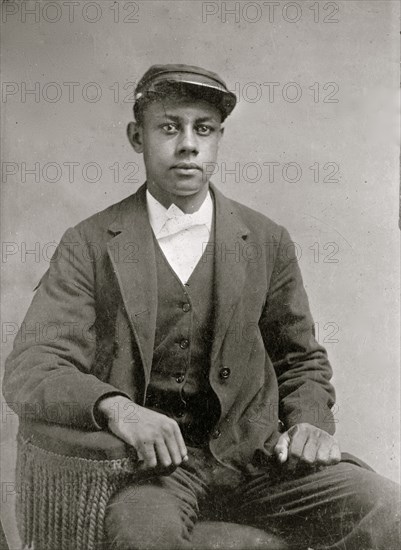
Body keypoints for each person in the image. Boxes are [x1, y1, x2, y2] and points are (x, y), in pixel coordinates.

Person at [3, 64, 400, 550]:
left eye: (203, 129)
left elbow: (301, 359)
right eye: (169, 127)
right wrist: (117, 408)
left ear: (218, 140)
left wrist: (310, 422)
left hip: (261, 464)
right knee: (144, 538)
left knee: (388, 508)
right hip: (155, 473)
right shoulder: (88, 244)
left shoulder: (267, 241)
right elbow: (32, 366)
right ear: (136, 137)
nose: (188, 144)